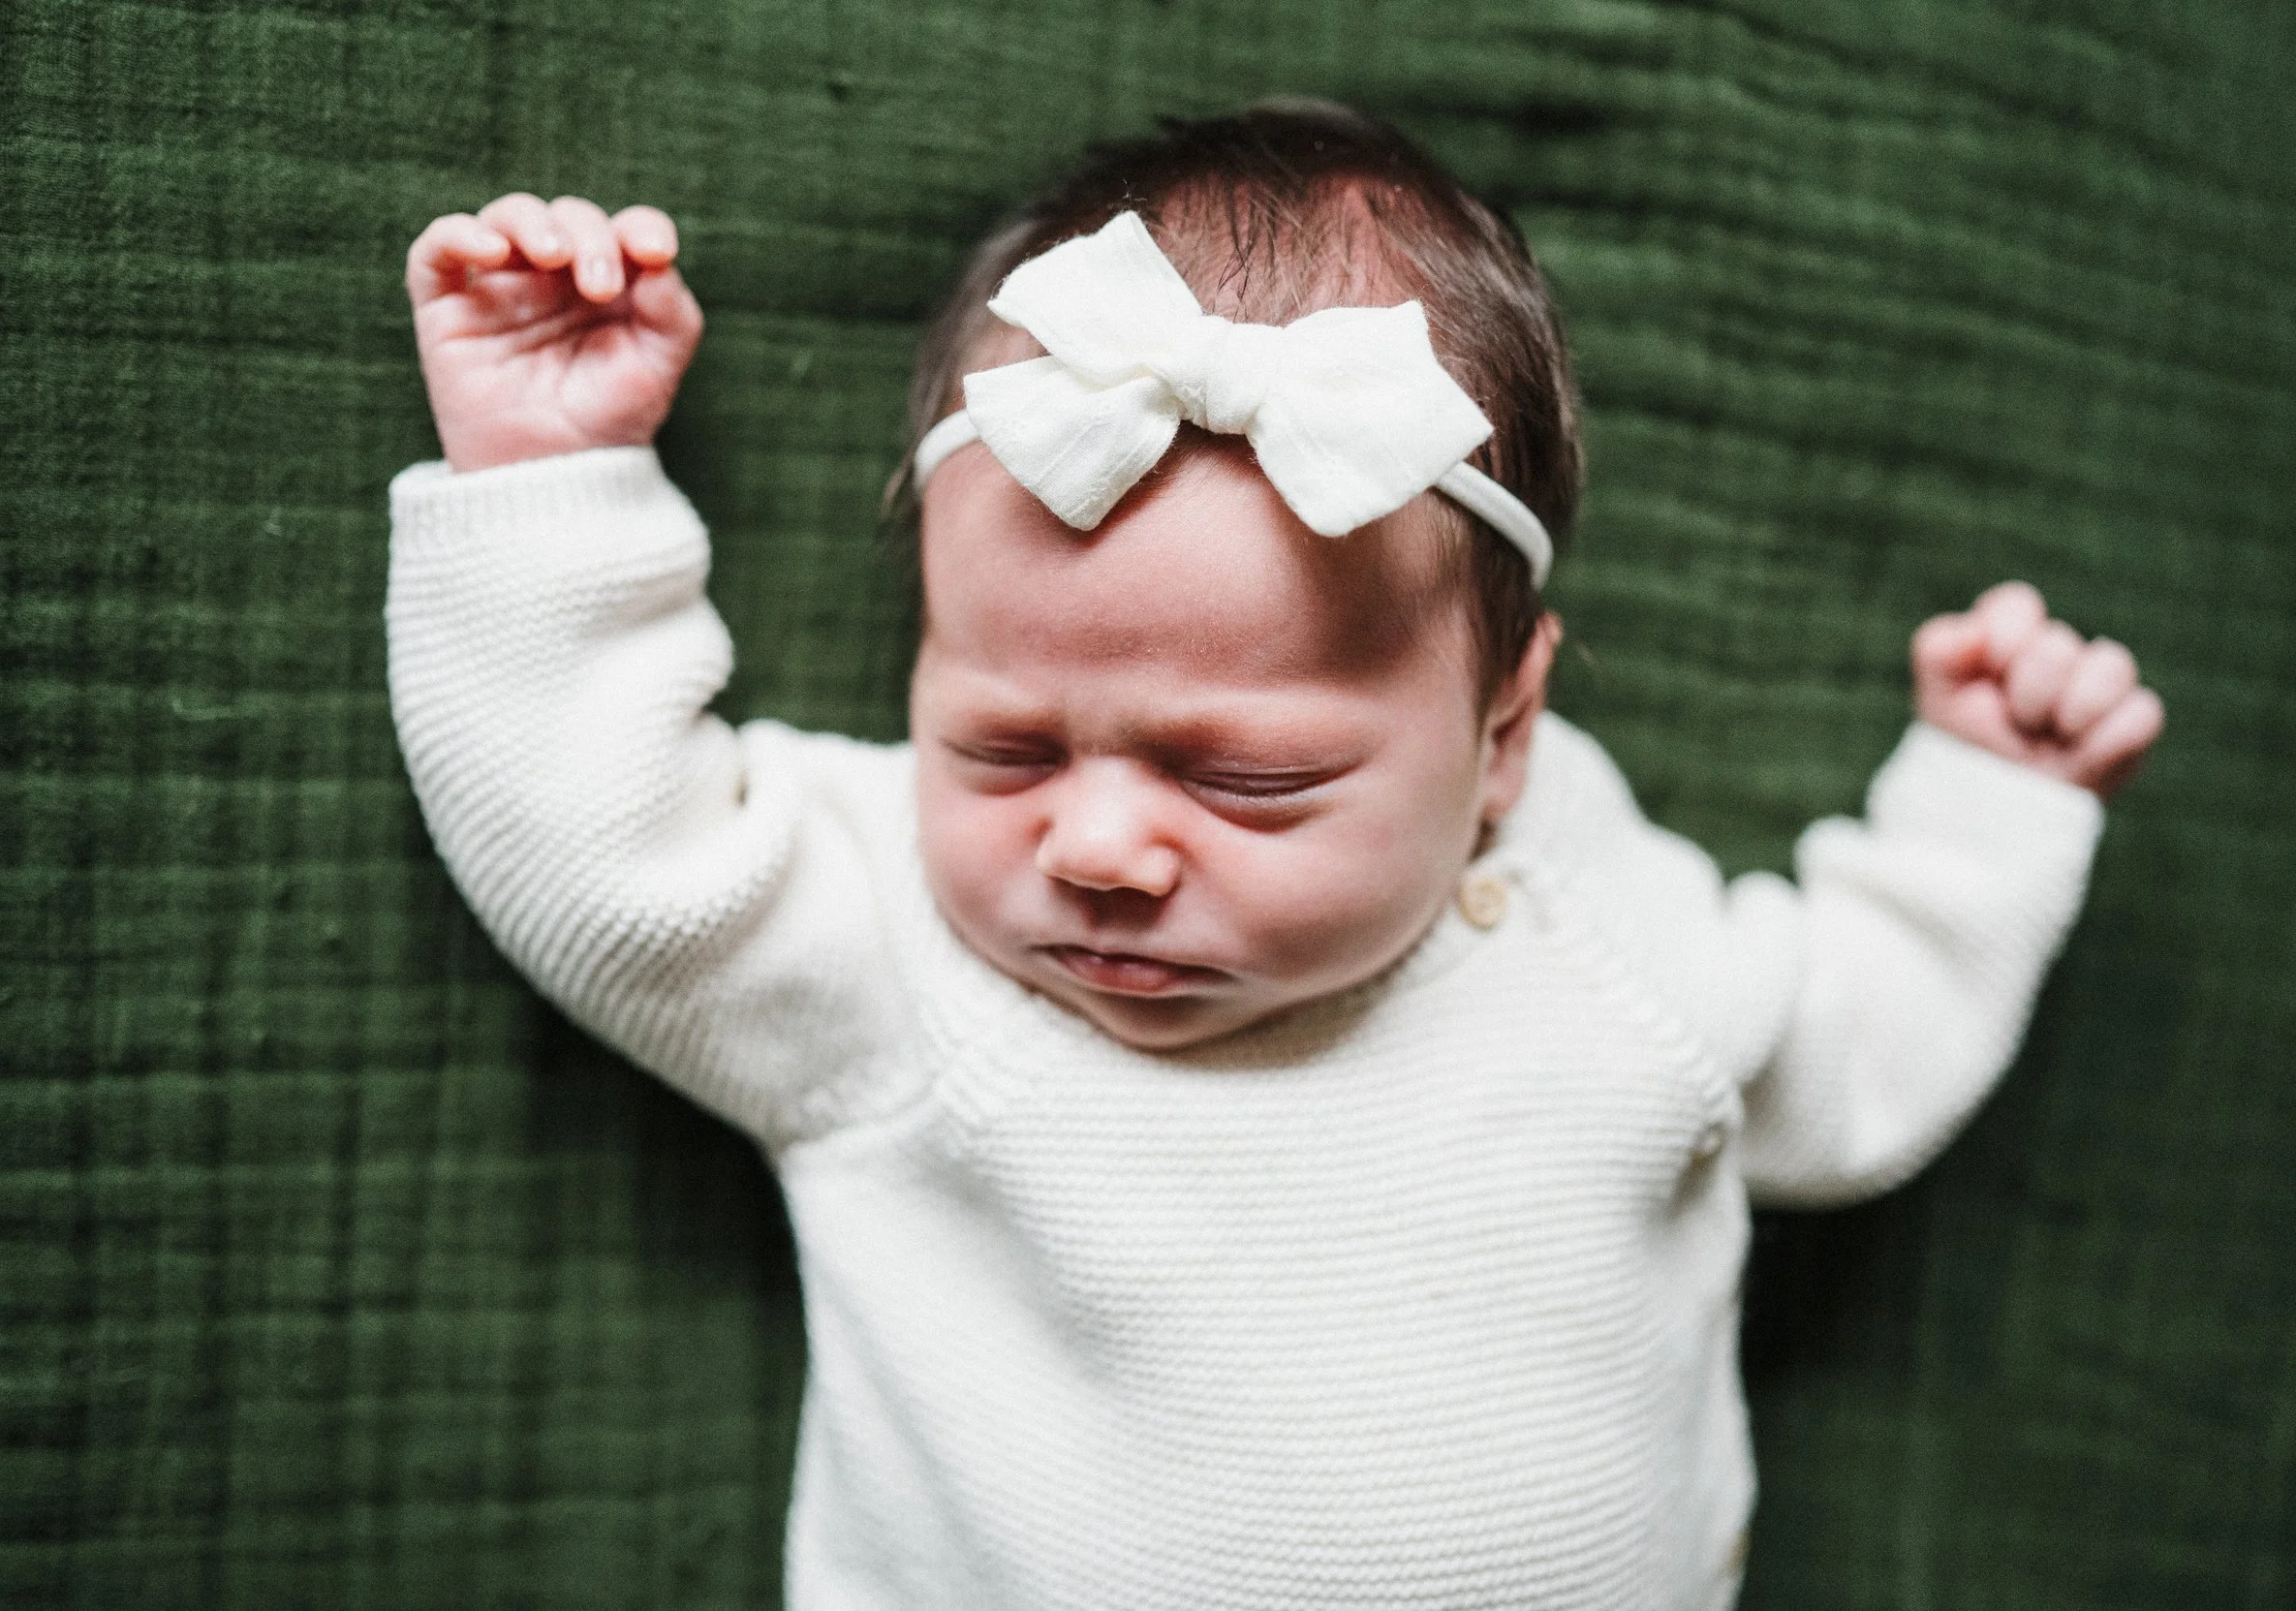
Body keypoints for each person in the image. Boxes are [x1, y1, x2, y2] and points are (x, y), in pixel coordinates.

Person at [388, 103, 2161, 1610]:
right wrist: (551, 476)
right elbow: (608, 858)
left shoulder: (1594, 921)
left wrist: (1989, 803)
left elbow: (1858, 1044)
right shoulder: (902, 949)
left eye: (1251, 782)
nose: (1092, 847)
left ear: (1501, 741)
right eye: (1000, 744)